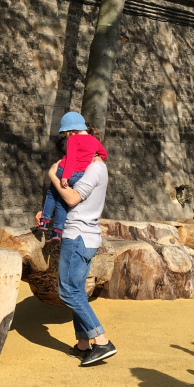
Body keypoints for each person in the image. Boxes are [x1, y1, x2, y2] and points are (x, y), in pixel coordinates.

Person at [46, 138, 116, 366]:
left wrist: (54, 177)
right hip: (87, 237)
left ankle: (102, 341)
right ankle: (83, 345)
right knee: (76, 291)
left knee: (68, 292)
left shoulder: (94, 168)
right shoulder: (95, 167)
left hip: (78, 237)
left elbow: (71, 198)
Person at [38, 113, 108, 242]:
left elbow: (70, 159)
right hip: (81, 175)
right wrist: (93, 158)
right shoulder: (94, 141)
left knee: (52, 194)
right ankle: (57, 232)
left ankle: (45, 221)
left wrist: (65, 176)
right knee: (61, 201)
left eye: (66, 134)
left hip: (64, 171)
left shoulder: (73, 139)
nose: (66, 137)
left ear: (72, 131)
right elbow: (104, 153)